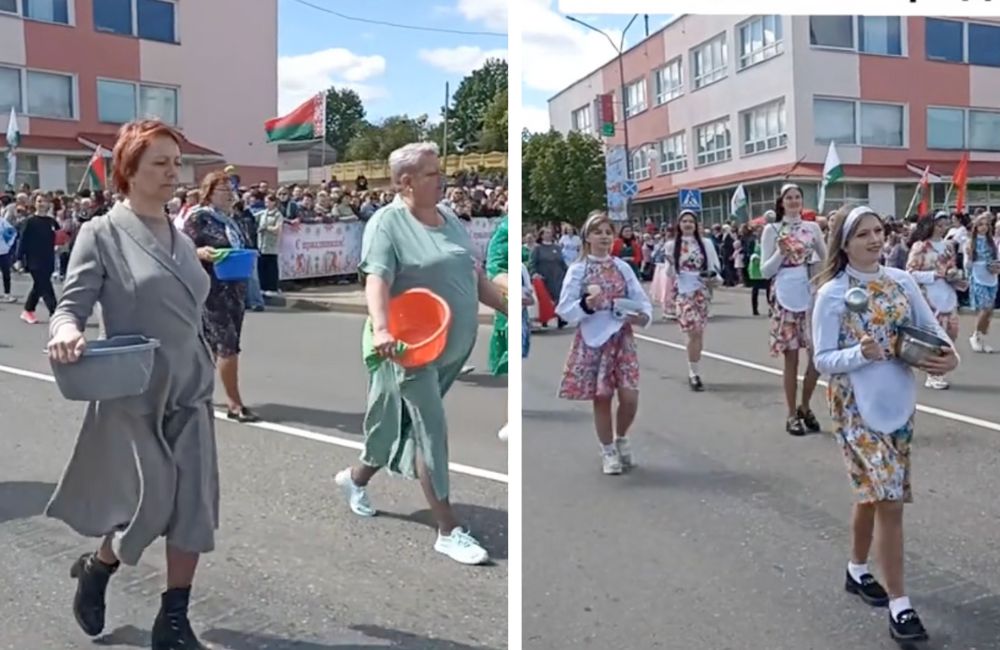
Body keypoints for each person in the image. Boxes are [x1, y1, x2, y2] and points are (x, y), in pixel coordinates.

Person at [44, 120, 219, 649]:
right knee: (153, 503)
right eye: (160, 164)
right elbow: (72, 303)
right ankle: (98, 568)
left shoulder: (181, 235)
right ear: (129, 171)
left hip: (190, 387)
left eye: (175, 162)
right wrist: (67, 330)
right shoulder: (101, 232)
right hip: (134, 390)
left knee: (192, 507)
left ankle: (173, 619)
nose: (174, 173)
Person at [333, 142, 506, 565]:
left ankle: (355, 478)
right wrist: (384, 328)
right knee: (430, 427)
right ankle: (448, 529)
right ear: (405, 182)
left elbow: (473, 273)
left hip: (448, 347)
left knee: (397, 424)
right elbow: (376, 278)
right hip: (405, 347)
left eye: (439, 170)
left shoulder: (448, 218)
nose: (441, 178)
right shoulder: (386, 223)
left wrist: (507, 305)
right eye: (431, 173)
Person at [812, 206, 958, 644]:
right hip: (854, 405)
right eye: (863, 234)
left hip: (898, 400)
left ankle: (857, 571)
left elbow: (933, 333)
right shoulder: (832, 294)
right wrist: (861, 354)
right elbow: (822, 360)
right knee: (888, 496)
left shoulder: (901, 281)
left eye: (879, 231)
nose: (875, 240)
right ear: (843, 243)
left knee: (873, 493)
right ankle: (901, 605)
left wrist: (949, 357)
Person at [556, 211, 652, 475]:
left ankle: (621, 437)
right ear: (587, 237)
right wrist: (587, 305)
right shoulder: (579, 269)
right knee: (602, 396)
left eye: (608, 232)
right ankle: (608, 450)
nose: (604, 237)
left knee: (630, 396)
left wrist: (641, 316)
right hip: (594, 340)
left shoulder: (621, 267)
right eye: (598, 232)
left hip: (621, 338)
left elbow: (641, 300)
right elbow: (564, 308)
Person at [184, 171, 259, 422]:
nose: (230, 195)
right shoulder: (198, 218)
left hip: (234, 287)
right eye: (224, 191)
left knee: (213, 346)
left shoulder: (229, 220)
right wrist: (201, 253)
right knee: (228, 345)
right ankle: (234, 403)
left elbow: (239, 246)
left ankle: (193, 390)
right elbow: (182, 250)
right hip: (212, 288)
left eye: (231, 190)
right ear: (209, 192)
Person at [760, 184, 827, 436]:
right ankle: (790, 414)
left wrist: (823, 281)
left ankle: (805, 405)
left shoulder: (812, 228)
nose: (794, 201)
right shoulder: (772, 230)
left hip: (810, 291)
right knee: (791, 358)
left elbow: (826, 256)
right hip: (785, 291)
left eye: (798, 197)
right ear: (782, 201)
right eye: (789, 197)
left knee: (817, 356)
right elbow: (765, 270)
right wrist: (780, 253)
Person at [905, 212, 965, 389]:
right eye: (939, 224)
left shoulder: (948, 246)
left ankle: (937, 370)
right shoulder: (920, 247)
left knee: (951, 334)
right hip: (929, 297)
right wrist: (934, 275)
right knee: (935, 337)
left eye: (945, 224)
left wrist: (954, 275)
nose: (942, 228)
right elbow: (910, 273)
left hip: (948, 294)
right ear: (930, 225)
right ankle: (934, 374)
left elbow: (953, 267)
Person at [663, 210, 721, 390]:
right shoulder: (672, 246)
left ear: (696, 225)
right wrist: (671, 264)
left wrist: (712, 278)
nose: (688, 224)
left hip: (701, 292)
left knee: (699, 333)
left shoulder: (706, 244)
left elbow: (714, 267)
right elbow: (670, 274)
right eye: (684, 221)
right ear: (679, 225)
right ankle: (693, 373)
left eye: (691, 222)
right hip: (683, 292)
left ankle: (694, 368)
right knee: (692, 330)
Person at [16, 194, 59, 324]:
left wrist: (59, 245)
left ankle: (28, 310)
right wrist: (19, 259)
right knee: (45, 285)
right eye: (39, 201)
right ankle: (55, 312)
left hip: (48, 258)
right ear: (34, 203)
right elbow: (22, 241)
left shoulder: (51, 222)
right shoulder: (29, 221)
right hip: (34, 259)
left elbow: (60, 237)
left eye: (44, 201)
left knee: (39, 285)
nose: (42, 204)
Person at [964, 211, 998, 353]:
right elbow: (967, 264)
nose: (984, 227)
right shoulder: (970, 242)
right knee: (985, 308)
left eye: (986, 225)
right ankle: (975, 336)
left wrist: (996, 266)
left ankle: (982, 338)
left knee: (989, 311)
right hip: (978, 276)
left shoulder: (992, 242)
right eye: (980, 225)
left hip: (991, 276)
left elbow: (995, 258)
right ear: (976, 227)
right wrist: (970, 259)